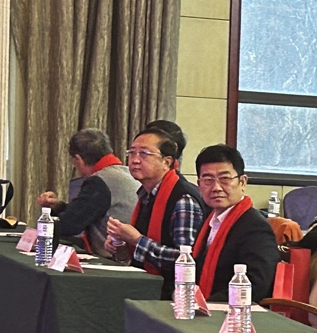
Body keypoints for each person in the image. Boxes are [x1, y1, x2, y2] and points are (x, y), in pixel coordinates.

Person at [105, 127, 204, 299]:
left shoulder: (182, 199)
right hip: (145, 285)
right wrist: (120, 244)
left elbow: (185, 260)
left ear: (167, 162)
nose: (135, 160)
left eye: (144, 154)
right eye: (132, 153)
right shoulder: (146, 195)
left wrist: (137, 240)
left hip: (174, 295)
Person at [188, 145, 279, 303]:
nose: (216, 188)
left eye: (225, 179)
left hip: (231, 312)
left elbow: (256, 285)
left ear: (242, 182)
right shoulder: (209, 220)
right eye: (208, 180)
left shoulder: (255, 227)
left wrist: (207, 304)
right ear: (199, 184)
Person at [36, 128, 139, 257]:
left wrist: (43, 224)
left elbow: (70, 225)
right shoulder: (126, 173)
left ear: (78, 159)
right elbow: (84, 211)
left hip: (112, 258)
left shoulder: (100, 181)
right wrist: (57, 206)